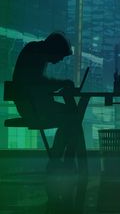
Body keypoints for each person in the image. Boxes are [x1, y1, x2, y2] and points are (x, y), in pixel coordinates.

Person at [11, 32, 87, 172]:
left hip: (30, 106)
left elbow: (36, 84)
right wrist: (62, 83)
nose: (59, 60)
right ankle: (61, 159)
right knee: (72, 117)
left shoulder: (34, 51)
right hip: (32, 109)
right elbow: (38, 84)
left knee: (72, 117)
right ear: (55, 49)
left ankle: (57, 157)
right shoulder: (36, 53)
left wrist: (59, 84)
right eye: (60, 56)